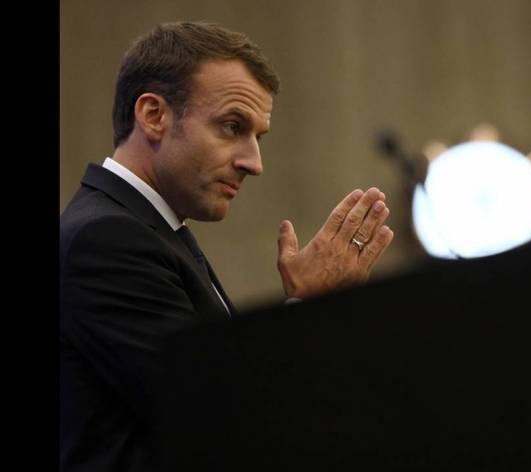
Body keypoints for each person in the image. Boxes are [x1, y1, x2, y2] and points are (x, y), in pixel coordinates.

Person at [59, 21, 394, 471]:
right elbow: (222, 420)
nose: (254, 163)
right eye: (232, 127)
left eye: (258, 137)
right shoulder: (106, 240)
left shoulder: (146, 228)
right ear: (154, 115)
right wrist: (308, 310)